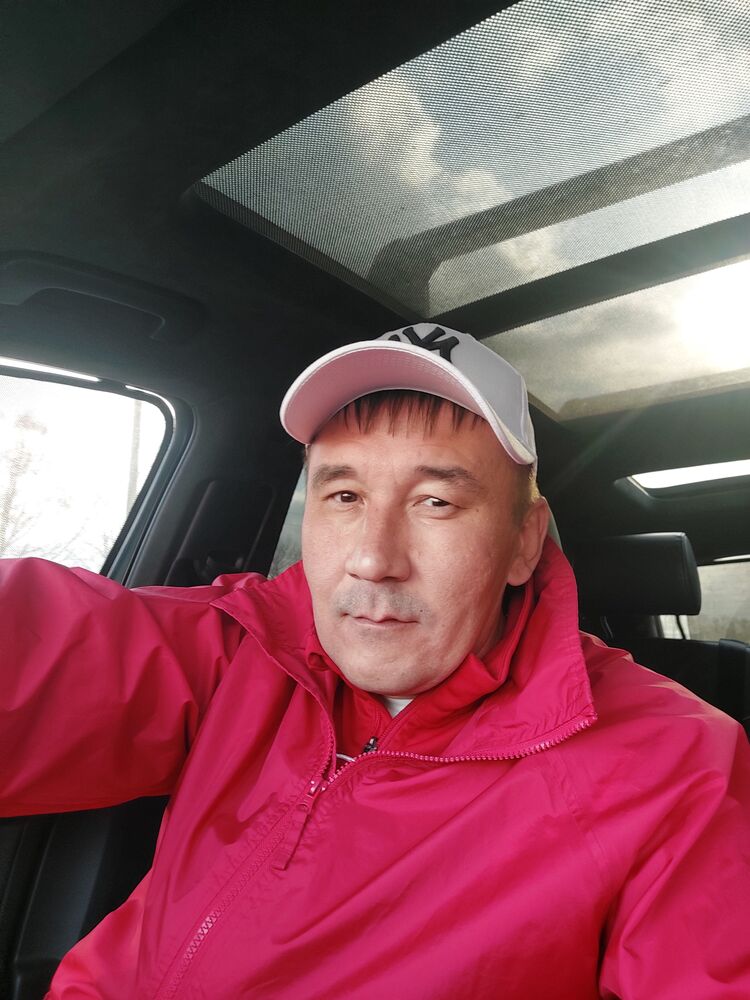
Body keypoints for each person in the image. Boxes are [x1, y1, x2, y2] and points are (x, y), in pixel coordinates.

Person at [2, 324, 749, 999]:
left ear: (524, 541)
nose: (371, 558)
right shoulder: (245, 645)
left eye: (435, 503)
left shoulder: (673, 765)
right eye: (344, 495)